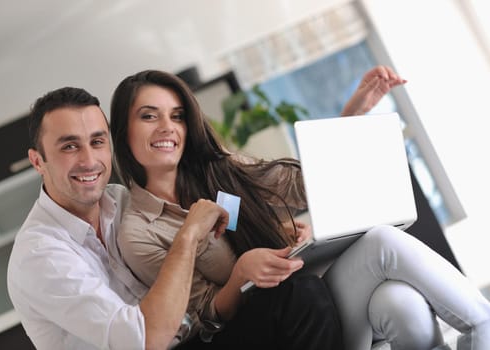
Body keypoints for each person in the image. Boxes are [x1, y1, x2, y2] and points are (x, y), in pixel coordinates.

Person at [110, 69, 490, 350]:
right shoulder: (139, 231)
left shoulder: (218, 172)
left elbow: (299, 188)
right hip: (280, 330)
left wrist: (349, 120)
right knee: (382, 243)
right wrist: (241, 273)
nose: (167, 127)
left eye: (176, 115)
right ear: (122, 133)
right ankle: (482, 327)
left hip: (311, 294)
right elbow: (203, 318)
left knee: (400, 304)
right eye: (148, 115)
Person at [6, 87, 344, 350]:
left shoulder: (120, 200)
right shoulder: (40, 255)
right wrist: (188, 235)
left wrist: (271, 225)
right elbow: (145, 339)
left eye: (97, 141)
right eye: (69, 147)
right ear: (38, 161)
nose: (89, 159)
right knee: (299, 296)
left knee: (299, 292)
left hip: (198, 337)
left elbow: (225, 214)